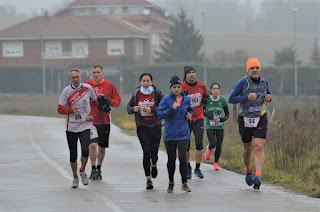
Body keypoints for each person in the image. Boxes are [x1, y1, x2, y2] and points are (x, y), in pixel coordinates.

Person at [228, 58, 272, 190]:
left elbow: (267, 94)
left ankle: (258, 176)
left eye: (256, 68)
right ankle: (248, 170)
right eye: (252, 68)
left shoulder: (265, 82)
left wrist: (269, 98)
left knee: (259, 146)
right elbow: (231, 99)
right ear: (248, 70)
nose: (254, 70)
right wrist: (246, 98)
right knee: (247, 149)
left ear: (260, 69)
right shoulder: (242, 83)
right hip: (245, 118)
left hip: (260, 117)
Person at [58, 68, 97, 188]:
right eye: (73, 78)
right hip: (71, 127)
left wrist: (92, 115)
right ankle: (75, 177)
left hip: (85, 125)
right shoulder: (66, 91)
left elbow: (95, 103)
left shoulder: (88, 88)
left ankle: (82, 170)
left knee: (86, 150)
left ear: (81, 77)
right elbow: (60, 109)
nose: (75, 79)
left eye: (77, 77)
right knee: (73, 155)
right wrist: (70, 110)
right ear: (70, 79)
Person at [127, 73, 164, 189]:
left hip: (155, 125)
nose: (146, 83)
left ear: (151, 82)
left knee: (154, 152)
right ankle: (148, 179)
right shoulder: (136, 93)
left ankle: (154, 163)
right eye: (144, 81)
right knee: (146, 151)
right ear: (140, 82)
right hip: (142, 126)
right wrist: (134, 109)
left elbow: (163, 107)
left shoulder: (157, 93)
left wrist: (152, 109)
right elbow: (128, 108)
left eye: (148, 81)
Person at [84, 65, 121, 181]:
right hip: (91, 121)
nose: (96, 74)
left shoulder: (109, 85)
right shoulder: (86, 85)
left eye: (98, 72)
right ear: (91, 74)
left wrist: (108, 101)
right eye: (94, 72)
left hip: (104, 120)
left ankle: (99, 169)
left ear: (103, 74)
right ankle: (93, 168)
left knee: (101, 147)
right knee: (92, 145)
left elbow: (117, 101)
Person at [158, 76, 193, 193]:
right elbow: (160, 115)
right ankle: (171, 182)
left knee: (183, 158)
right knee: (171, 159)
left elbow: (190, 109)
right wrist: (171, 109)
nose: (177, 89)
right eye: (174, 87)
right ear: (170, 88)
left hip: (183, 134)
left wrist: (189, 114)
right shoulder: (166, 100)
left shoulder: (186, 99)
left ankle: (184, 183)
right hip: (170, 135)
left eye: (178, 87)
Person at [182, 66, 209, 179]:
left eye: (193, 72)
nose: (192, 74)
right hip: (186, 119)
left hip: (198, 118)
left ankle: (197, 168)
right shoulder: (182, 86)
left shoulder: (201, 85)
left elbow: (207, 97)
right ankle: (188, 168)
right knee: (186, 145)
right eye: (189, 73)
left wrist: (205, 101)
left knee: (199, 143)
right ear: (186, 75)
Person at [204, 83, 229, 170]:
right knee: (213, 143)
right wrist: (208, 115)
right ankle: (209, 147)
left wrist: (224, 118)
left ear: (219, 90)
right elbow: (202, 111)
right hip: (209, 125)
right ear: (211, 90)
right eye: (214, 88)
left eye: (217, 89)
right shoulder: (207, 100)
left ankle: (216, 163)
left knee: (219, 145)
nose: (216, 90)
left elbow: (227, 112)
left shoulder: (222, 100)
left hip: (220, 125)